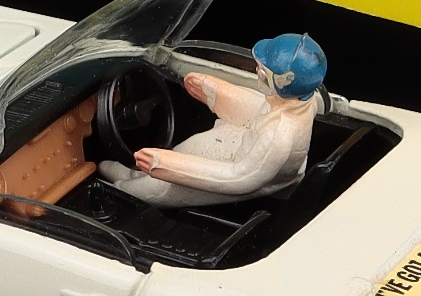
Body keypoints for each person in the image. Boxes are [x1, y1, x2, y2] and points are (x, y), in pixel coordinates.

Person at [97, 34, 326, 208]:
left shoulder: (278, 137)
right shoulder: (297, 103)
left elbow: (241, 178)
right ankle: (135, 174)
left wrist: (166, 165)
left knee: (160, 188)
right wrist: (214, 92)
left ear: (283, 82)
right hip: (245, 143)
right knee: (190, 147)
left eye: (263, 72)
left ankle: (121, 190)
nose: (257, 71)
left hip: (251, 175)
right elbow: (258, 110)